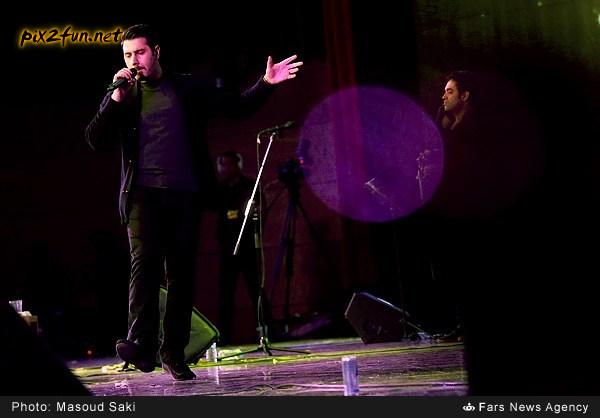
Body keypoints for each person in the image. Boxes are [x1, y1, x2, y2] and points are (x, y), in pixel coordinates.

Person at [85, 24, 302, 380]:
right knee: (144, 264)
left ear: (156, 51)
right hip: (142, 195)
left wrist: (266, 83)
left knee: (181, 273)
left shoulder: (186, 87)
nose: (134, 60)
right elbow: (94, 138)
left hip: (184, 194)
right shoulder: (124, 94)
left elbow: (236, 107)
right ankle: (140, 344)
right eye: (127, 55)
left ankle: (173, 352)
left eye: (140, 52)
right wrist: (115, 100)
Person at [214, 151, 267, 345]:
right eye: (223, 165)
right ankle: (225, 336)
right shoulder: (220, 189)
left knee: (256, 290)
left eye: (230, 164)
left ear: (238, 165)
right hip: (227, 248)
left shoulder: (250, 186)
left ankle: (265, 330)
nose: (225, 169)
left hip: (248, 247)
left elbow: (260, 213)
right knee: (226, 294)